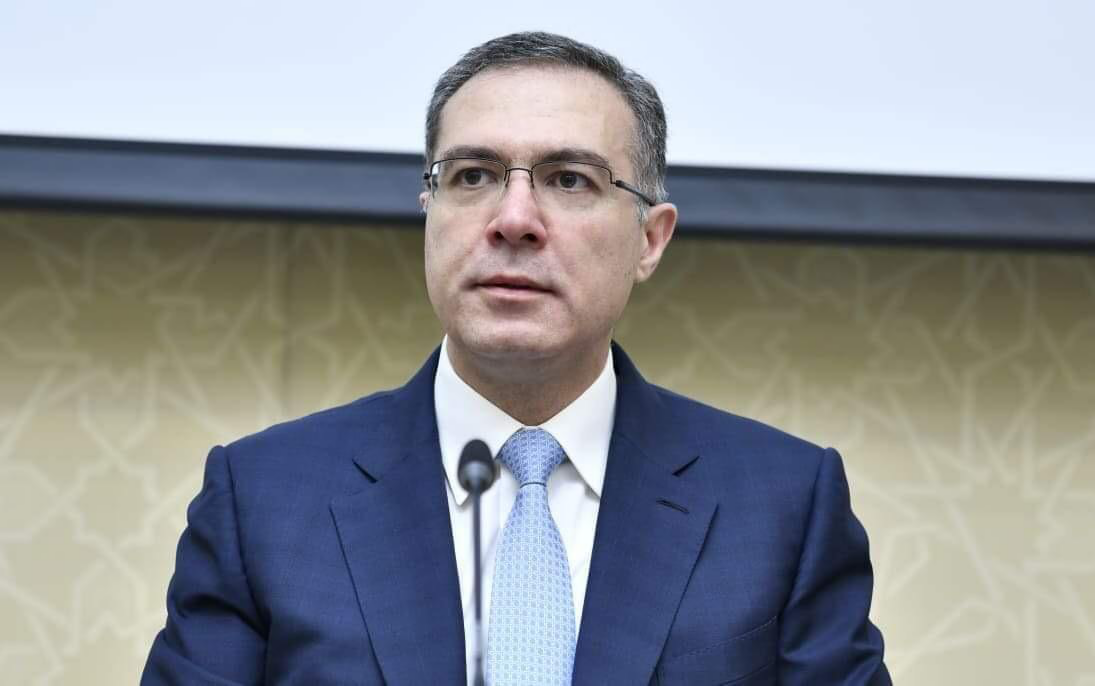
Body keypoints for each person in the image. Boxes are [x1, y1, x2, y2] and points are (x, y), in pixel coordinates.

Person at [142, 32, 890, 685]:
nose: (514, 219)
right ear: (429, 211)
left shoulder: (783, 506)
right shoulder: (263, 500)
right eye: (473, 175)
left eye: (570, 180)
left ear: (650, 239)